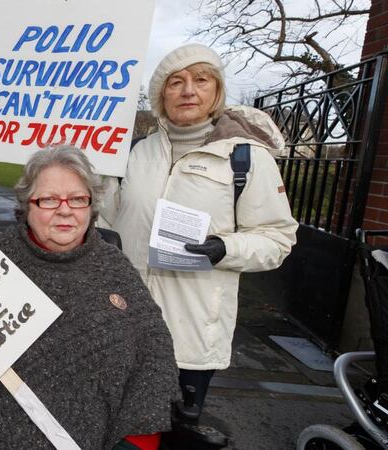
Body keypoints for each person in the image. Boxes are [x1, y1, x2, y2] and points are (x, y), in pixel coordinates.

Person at [0, 146, 179, 450]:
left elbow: (154, 353)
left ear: (90, 206)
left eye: (77, 198)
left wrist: (139, 440)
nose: (64, 209)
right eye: (48, 199)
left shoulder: (115, 268)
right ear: (26, 207)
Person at [99, 44, 298, 429]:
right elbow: (110, 222)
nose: (188, 90)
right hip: (124, 327)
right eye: (176, 82)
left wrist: (226, 248)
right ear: (161, 96)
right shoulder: (134, 154)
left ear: (216, 93)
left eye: (201, 79)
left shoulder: (247, 158)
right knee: (117, 429)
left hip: (190, 339)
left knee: (172, 432)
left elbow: (278, 239)